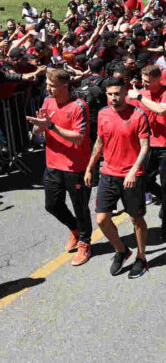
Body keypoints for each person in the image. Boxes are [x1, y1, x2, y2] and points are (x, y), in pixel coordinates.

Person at [84, 77, 150, 279]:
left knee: (136, 219)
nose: (114, 98)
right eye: (110, 94)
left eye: (117, 94)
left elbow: (145, 146)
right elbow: (99, 142)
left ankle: (141, 257)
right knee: (102, 219)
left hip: (132, 175)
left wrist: (133, 170)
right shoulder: (103, 114)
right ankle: (121, 250)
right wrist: (89, 167)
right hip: (109, 173)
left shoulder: (138, 115)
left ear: (125, 93)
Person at [26, 69, 92, 266]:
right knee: (52, 205)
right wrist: (38, 127)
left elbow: (80, 138)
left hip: (76, 166)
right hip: (53, 164)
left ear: (65, 86)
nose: (48, 89)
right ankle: (75, 230)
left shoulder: (79, 106)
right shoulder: (47, 101)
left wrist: (52, 126)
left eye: (52, 86)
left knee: (80, 207)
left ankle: (85, 243)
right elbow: (39, 130)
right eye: (47, 85)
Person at [127, 64, 166, 240]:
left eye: (148, 81)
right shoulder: (140, 93)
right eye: (143, 80)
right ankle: (164, 198)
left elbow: (162, 110)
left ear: (158, 79)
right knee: (145, 180)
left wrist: (140, 96)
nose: (144, 83)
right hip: (147, 146)